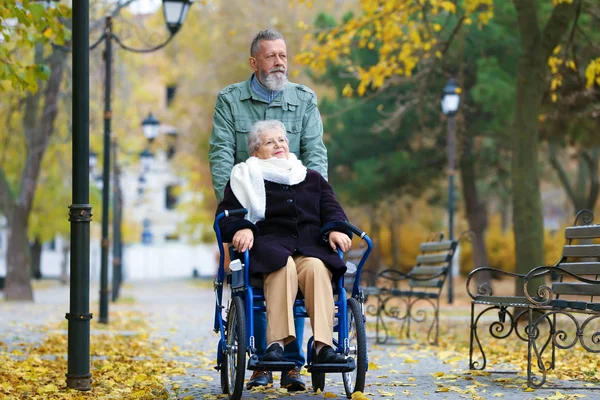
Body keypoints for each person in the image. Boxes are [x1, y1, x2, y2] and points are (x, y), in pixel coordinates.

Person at [209, 29, 328, 391]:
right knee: (266, 266)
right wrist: (236, 212)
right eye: (271, 56)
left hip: (293, 209)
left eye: (283, 56)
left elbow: (315, 154)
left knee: (302, 259)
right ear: (254, 62)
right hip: (251, 210)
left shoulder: (303, 98)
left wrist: (313, 202)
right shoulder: (230, 100)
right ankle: (262, 358)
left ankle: (290, 364)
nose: (279, 62)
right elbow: (221, 156)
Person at [216, 120, 352, 387]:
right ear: (256, 151)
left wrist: (336, 229)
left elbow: (332, 209)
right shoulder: (244, 177)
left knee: (315, 266)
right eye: (270, 142)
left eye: (282, 140)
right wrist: (243, 228)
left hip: (311, 245)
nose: (279, 145)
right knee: (282, 265)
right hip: (270, 245)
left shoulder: (311, 177)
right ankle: (275, 345)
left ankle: (323, 347)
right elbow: (228, 215)